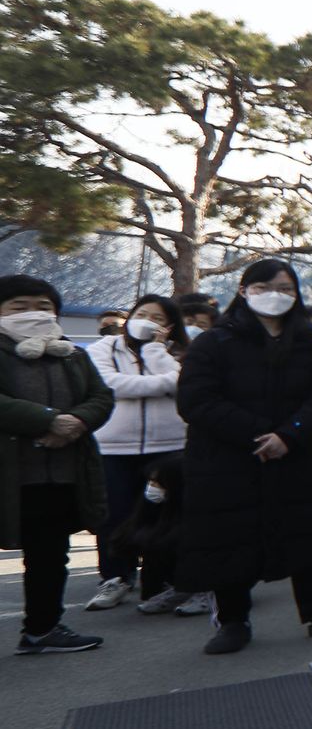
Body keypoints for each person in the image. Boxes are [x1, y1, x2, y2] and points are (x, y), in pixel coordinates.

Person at [173, 260, 312, 655]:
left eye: (286, 288)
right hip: (227, 460)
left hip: (294, 457)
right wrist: (259, 434)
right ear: (244, 291)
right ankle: (232, 620)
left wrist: (288, 436)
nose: (276, 294)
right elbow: (196, 400)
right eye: (264, 286)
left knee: (309, 536)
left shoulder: (309, 342)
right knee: (229, 538)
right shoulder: (215, 341)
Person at [1, 276, 112, 655]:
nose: (33, 313)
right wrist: (47, 418)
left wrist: (76, 422)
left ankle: (42, 629)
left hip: (60, 472)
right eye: (19, 306)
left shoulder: (72, 353)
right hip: (8, 472)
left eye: (43, 306)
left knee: (49, 555)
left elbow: (101, 396)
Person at [85, 294, 198, 613]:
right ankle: (115, 578)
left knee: (164, 516)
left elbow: (183, 384)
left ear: (170, 327)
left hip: (169, 446)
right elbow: (109, 385)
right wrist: (163, 383)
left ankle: (161, 581)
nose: (148, 320)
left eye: (159, 318)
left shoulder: (180, 353)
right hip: (113, 446)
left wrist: (155, 352)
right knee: (114, 515)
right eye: (142, 313)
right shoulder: (102, 349)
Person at [107, 456, 187, 616]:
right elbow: (124, 538)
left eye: (157, 483)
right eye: (150, 482)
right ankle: (157, 590)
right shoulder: (149, 505)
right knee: (152, 540)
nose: (152, 487)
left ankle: (196, 590)